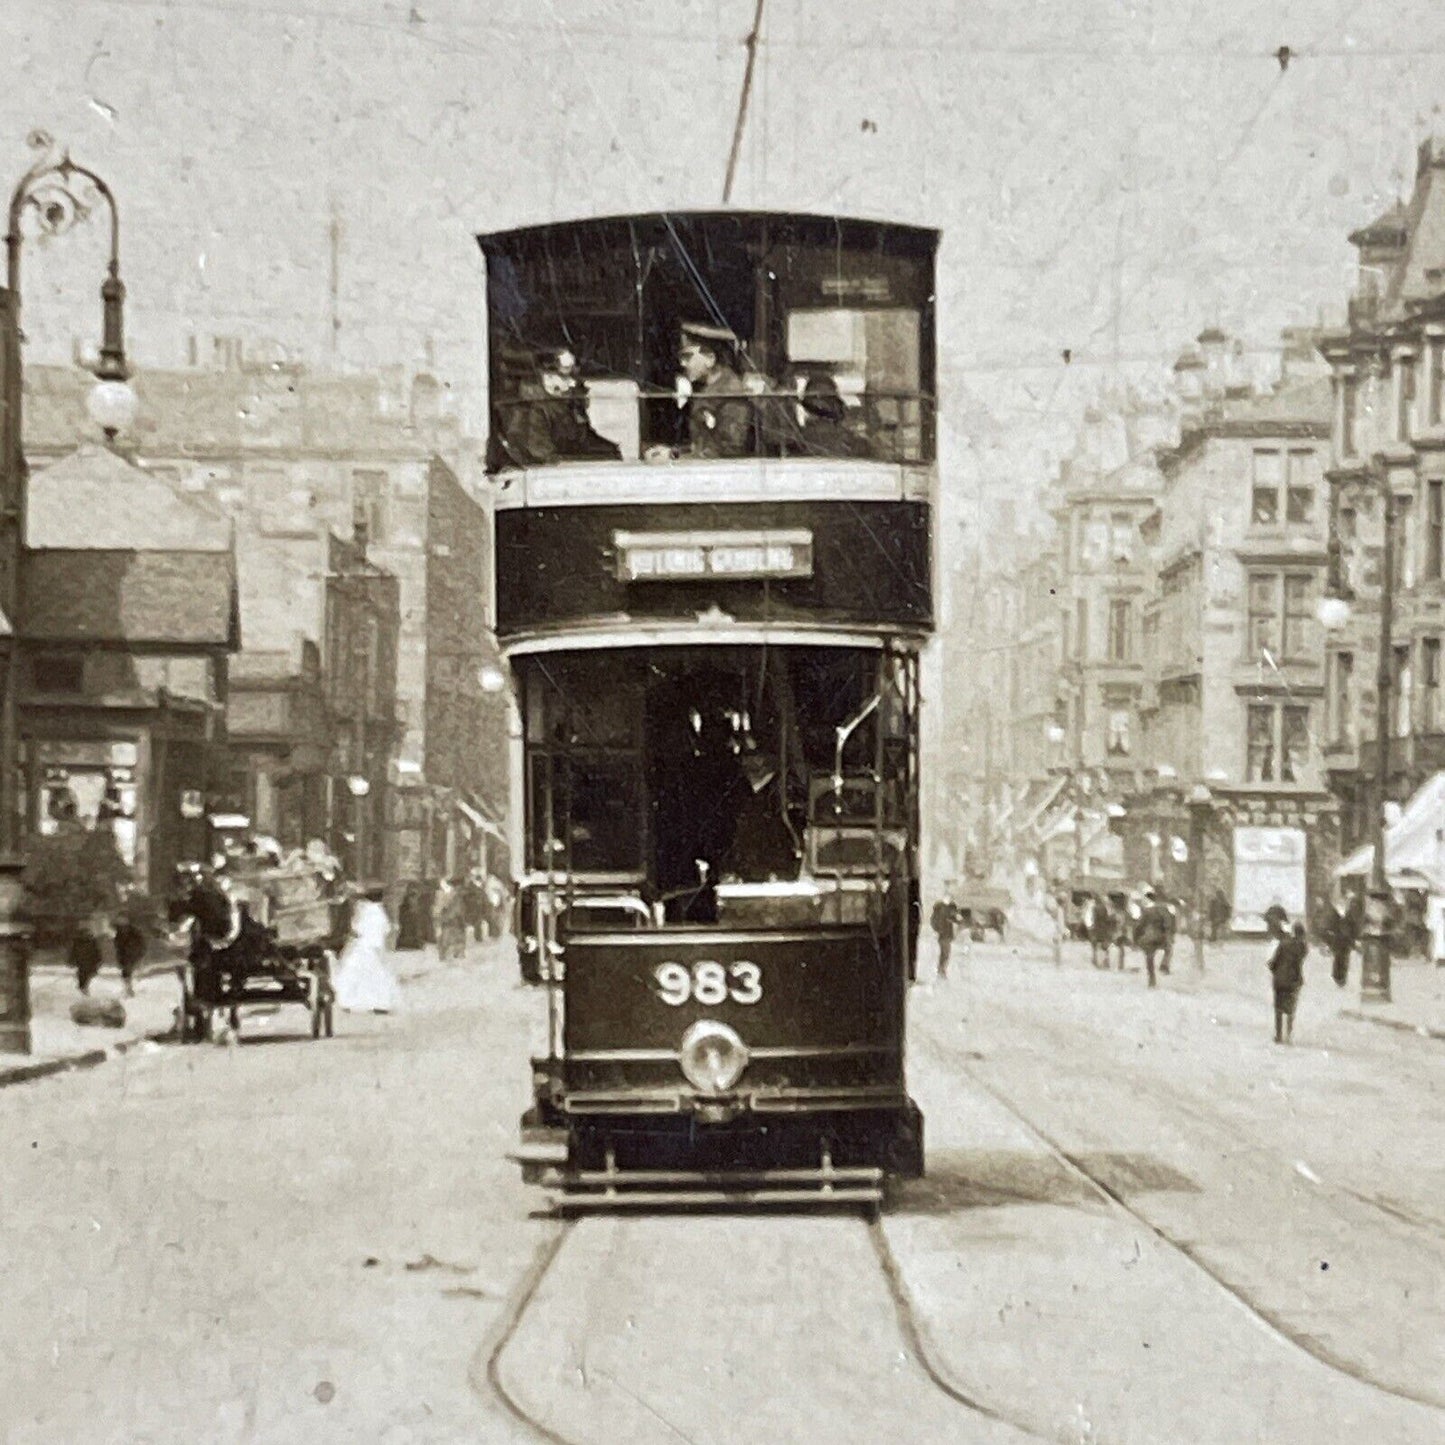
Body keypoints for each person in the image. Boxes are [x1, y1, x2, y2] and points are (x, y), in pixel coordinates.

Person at [497, 348, 621, 467]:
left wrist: (610, 452)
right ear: (547, 376)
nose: (573, 383)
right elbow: (543, 457)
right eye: (565, 376)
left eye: (574, 375)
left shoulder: (568, 402)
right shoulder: (531, 410)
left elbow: (583, 438)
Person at [671, 323, 753, 459]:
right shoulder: (708, 389)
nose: (683, 364)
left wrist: (684, 458)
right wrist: (675, 453)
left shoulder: (731, 391)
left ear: (710, 359)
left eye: (687, 357)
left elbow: (731, 447)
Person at [333, 886, 399, 1013]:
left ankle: (348, 1001)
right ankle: (380, 1003)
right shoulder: (379, 911)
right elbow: (386, 929)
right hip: (375, 946)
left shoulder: (363, 910)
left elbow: (356, 928)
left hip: (363, 945)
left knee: (353, 972)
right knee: (377, 975)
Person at [1268, 920, 1309, 1044]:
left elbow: (1274, 962)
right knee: (1291, 1009)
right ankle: (1289, 1034)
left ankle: (1278, 1035)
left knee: (1278, 1009)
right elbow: (1299, 961)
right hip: (1293, 981)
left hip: (1279, 980)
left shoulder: (1283, 944)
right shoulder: (1302, 947)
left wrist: (1273, 968)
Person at [1135, 886, 1174, 989]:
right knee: (1168, 949)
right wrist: (1168, 934)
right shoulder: (1164, 910)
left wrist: (1136, 937)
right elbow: (1168, 923)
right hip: (1161, 936)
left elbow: (1139, 925)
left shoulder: (1146, 911)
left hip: (1148, 937)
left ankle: (1152, 979)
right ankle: (1164, 964)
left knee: (1149, 957)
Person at [113, 911, 148, 1000]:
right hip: (125, 956)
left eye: (123, 921)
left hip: (134, 954)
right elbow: (117, 945)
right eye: (120, 922)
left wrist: (140, 952)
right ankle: (129, 988)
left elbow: (141, 942)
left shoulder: (134, 931)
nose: (121, 923)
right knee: (126, 972)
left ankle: (132, 987)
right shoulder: (119, 933)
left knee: (129, 971)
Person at [70, 920, 104, 995]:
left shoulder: (93, 941)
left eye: (88, 932)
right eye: (85, 932)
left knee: (88, 975)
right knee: (82, 976)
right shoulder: (77, 941)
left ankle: (84, 988)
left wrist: (99, 960)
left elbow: (97, 952)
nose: (86, 934)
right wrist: (71, 960)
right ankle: (83, 989)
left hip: (91, 962)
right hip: (81, 962)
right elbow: (73, 952)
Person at [930, 895, 957, 981]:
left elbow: (955, 919)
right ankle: (941, 969)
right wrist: (938, 929)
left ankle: (941, 969)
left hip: (947, 934)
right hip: (943, 934)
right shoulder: (940, 910)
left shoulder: (949, 909)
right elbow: (934, 921)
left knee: (945, 953)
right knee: (945, 952)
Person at [395, 881, 426, 951]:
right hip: (407, 943)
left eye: (415, 896)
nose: (414, 899)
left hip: (412, 943)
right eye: (412, 895)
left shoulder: (419, 909)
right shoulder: (404, 909)